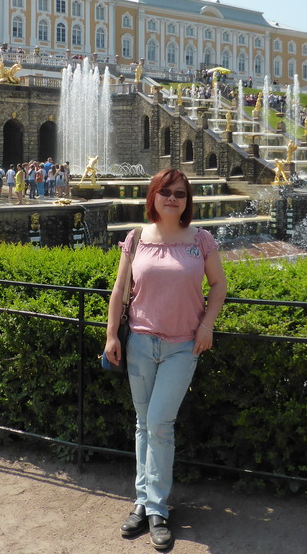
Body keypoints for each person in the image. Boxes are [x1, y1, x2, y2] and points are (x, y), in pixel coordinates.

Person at [104, 169, 227, 550]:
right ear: (153, 196)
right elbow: (121, 289)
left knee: (159, 423)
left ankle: (156, 507)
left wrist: (207, 324)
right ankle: (143, 502)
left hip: (182, 347)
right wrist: (111, 335)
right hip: (140, 342)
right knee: (144, 424)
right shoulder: (137, 238)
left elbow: (219, 284)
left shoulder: (200, 240)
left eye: (180, 193)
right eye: (165, 192)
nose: (173, 198)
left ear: (187, 201)